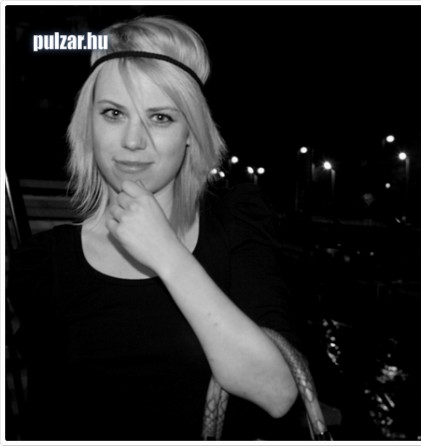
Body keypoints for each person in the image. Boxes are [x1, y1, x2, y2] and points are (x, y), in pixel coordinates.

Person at [8, 16, 299, 440]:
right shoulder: (44, 263)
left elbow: (276, 392)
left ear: (190, 133)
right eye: (113, 113)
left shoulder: (236, 224)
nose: (132, 140)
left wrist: (166, 253)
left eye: (160, 117)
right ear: (88, 125)